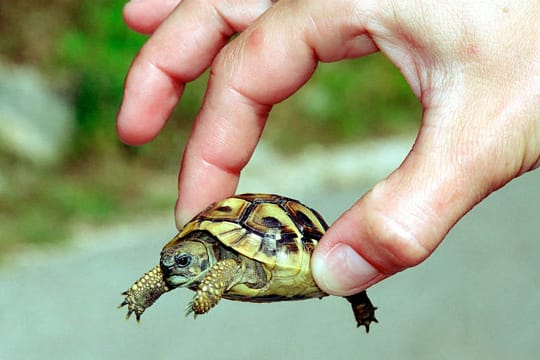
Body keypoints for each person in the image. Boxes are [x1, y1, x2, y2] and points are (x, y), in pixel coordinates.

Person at [116, 0, 539, 296]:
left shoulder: (223, 267)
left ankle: (359, 298)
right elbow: (171, 268)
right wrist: (146, 289)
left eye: (183, 263)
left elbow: (220, 270)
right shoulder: (191, 254)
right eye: (178, 262)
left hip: (285, 246)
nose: (175, 268)